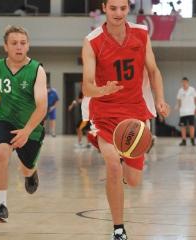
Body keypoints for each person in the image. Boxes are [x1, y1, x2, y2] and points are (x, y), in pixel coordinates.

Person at [82, 0, 169, 239]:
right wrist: (102, 90)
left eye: (122, 8)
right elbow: (88, 86)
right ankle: (118, 229)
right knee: (112, 165)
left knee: (134, 180)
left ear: (127, 8)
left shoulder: (141, 33)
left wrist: (160, 99)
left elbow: (153, 70)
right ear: (104, 8)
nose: (118, 13)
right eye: (113, 8)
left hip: (135, 114)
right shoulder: (92, 41)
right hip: (105, 113)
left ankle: (120, 173)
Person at [0, 25, 47, 223]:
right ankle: (1, 205)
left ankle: (31, 173)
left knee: (26, 168)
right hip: (4, 119)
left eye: (22, 43)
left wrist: (27, 131)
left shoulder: (37, 70)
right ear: (6, 46)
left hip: (31, 127)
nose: (19, 47)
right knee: (1, 153)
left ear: (28, 46)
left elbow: (42, 107)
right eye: (14, 43)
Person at [175, 77, 196, 146]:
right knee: (183, 126)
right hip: (183, 112)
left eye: (185, 82)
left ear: (187, 82)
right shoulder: (180, 90)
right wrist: (177, 106)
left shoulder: (192, 90)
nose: (184, 83)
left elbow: (195, 99)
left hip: (191, 111)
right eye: (182, 82)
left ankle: (192, 140)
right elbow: (179, 100)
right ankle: (183, 141)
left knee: (191, 126)